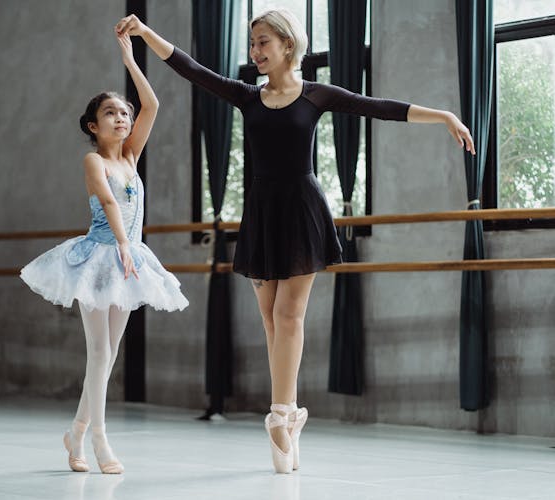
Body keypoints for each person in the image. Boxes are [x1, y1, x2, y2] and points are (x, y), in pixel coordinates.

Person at [115, 9, 475, 474]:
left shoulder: (316, 95)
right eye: (251, 45)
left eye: (263, 42)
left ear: (288, 44)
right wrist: (144, 33)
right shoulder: (247, 97)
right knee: (270, 320)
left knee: (289, 314)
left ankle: (280, 416)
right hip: (262, 212)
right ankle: (289, 413)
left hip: (303, 209)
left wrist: (443, 115)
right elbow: (191, 68)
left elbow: (379, 106)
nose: (255, 52)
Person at [20, 31, 189, 474]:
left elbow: (152, 105)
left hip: (128, 256)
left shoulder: (131, 156)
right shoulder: (94, 161)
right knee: (99, 351)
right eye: (110, 112)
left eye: (123, 112)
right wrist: (121, 244)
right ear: (93, 125)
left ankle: (74, 431)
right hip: (99, 259)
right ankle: (99, 440)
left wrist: (130, 59)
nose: (121, 117)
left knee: (108, 355)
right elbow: (111, 203)